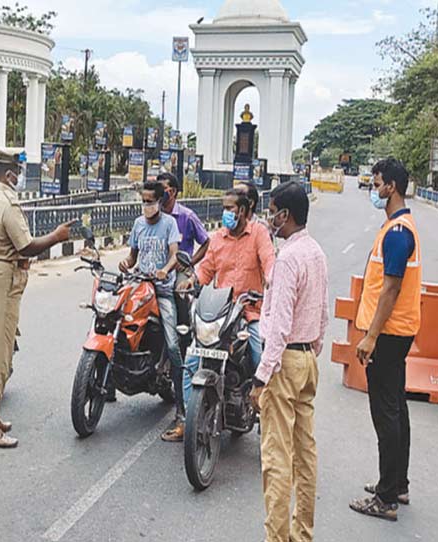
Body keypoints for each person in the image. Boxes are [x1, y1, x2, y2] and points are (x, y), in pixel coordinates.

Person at [0, 147, 76, 448]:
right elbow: (27, 245)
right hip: (2, 278)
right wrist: (57, 237)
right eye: (17, 172)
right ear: (9, 174)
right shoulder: (8, 204)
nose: (19, 177)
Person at [249, 181, 328, 542]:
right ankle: (302, 534)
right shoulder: (315, 252)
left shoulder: (287, 259)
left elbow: (278, 328)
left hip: (284, 364)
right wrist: (313, 348)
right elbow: (323, 313)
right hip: (307, 360)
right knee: (305, 455)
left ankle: (276, 538)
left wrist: (262, 377)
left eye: (273, 211)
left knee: (276, 459)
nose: (269, 217)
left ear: (287, 215)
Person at [170, 188, 275, 442]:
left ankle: (270, 424)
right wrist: (191, 281)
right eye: (224, 208)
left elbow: (269, 262)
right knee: (191, 361)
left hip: (249, 311)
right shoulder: (217, 238)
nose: (226, 213)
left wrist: (272, 282)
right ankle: (187, 419)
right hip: (221, 313)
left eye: (230, 208)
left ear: (243, 210)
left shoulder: (258, 233)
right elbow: (206, 271)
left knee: (261, 356)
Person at [350, 158, 422, 522]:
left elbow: (390, 289)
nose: (374, 190)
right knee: (397, 408)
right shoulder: (399, 227)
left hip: (389, 334)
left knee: (386, 413)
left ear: (391, 186)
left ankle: (386, 497)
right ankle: (399, 484)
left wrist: (371, 337)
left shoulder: (397, 233)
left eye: (377, 184)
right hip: (399, 332)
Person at [118, 182, 184, 440]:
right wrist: (125, 263)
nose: (146, 205)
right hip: (139, 285)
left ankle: (181, 409)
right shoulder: (137, 224)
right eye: (143, 201)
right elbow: (132, 257)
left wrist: (166, 270)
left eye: (150, 201)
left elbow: (174, 255)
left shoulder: (169, 224)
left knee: (173, 345)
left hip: (162, 290)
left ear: (161, 200)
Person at [157, 172, 210, 266]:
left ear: (172, 191)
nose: (158, 193)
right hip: (158, 268)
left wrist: (190, 263)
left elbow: (206, 242)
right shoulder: (155, 215)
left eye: (162, 189)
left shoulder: (187, 216)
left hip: (179, 270)